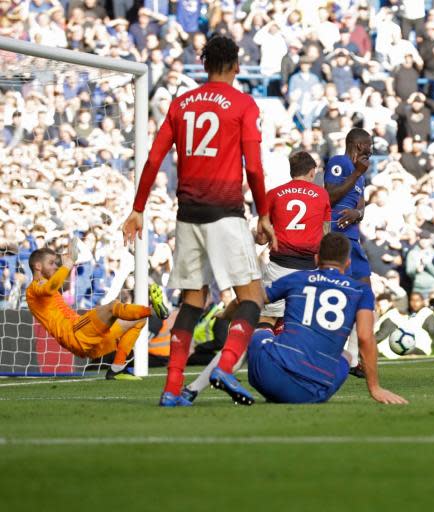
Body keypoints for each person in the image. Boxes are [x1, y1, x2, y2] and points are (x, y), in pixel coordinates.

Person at [122, 35, 275, 407]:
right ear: (237, 66)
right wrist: (264, 213)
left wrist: (138, 208)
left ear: (204, 66)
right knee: (252, 297)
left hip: (187, 214)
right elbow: (253, 166)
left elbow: (154, 159)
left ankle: (172, 388)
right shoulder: (242, 104)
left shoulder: (180, 104)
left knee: (192, 301)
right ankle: (224, 365)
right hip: (225, 212)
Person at [180, 151, 331, 403]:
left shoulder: (274, 194)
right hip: (308, 273)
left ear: (290, 170)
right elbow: (326, 236)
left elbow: (262, 237)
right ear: (313, 172)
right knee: (297, 334)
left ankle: (195, 387)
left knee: (253, 328)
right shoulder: (322, 195)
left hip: (278, 269)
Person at [246, 233, 407, 405]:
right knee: (346, 356)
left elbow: (254, 298)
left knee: (260, 334)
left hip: (266, 377)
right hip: (307, 394)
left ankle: (226, 368)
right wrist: (374, 388)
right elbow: (365, 337)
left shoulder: (297, 278)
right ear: (348, 263)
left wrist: (227, 313)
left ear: (316, 259)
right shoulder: (361, 290)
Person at [26, 238, 157, 381]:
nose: (55, 267)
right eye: (51, 263)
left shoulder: (49, 285)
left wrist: (67, 257)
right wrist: (69, 263)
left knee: (138, 320)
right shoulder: (33, 289)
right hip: (75, 332)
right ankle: (153, 311)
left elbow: (54, 283)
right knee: (112, 307)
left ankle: (117, 369)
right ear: (38, 266)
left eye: (55, 264)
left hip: (86, 336)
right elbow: (49, 287)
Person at [324, 128, 373, 378]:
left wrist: (358, 213)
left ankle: (353, 358)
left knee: (363, 293)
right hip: (337, 239)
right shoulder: (339, 163)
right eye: (368, 145)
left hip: (353, 239)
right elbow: (329, 197)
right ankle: (330, 354)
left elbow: (360, 204)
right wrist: (356, 173)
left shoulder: (361, 173)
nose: (371, 149)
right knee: (341, 294)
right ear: (357, 144)